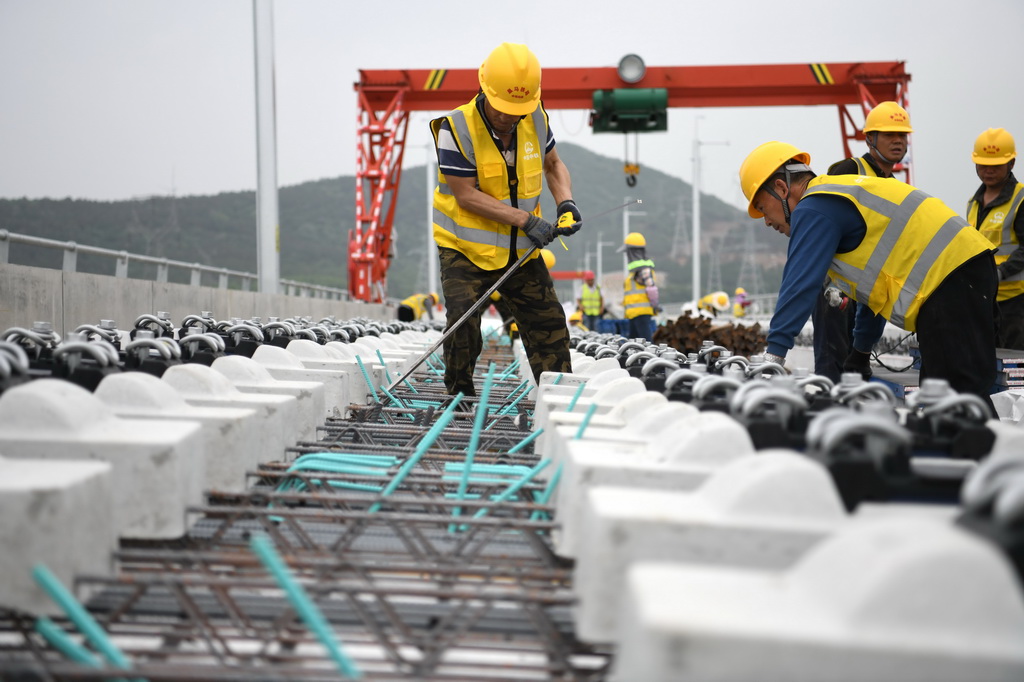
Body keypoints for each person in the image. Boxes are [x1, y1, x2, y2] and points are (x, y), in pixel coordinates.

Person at [739, 141, 998, 407]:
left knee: (958, 398)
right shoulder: (833, 201)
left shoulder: (815, 206)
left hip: (952, 276)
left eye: (762, 208)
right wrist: (861, 351)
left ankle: (989, 447)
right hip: (957, 277)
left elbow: (799, 285)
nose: (767, 221)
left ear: (782, 188)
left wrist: (773, 360)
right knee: (940, 396)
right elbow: (875, 293)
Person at [430, 42, 580, 396]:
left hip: (520, 251)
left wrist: (566, 203)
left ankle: (557, 398)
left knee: (549, 322)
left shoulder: (536, 117)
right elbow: (466, 195)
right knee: (463, 320)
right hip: (465, 249)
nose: (510, 117)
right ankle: (459, 395)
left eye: (518, 110)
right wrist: (526, 221)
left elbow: (554, 165)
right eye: (502, 109)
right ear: (484, 89)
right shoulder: (456, 127)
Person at [810, 101, 913, 382]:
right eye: (889, 135)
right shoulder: (847, 170)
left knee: (857, 366)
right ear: (870, 139)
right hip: (838, 285)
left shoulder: (898, 188)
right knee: (832, 367)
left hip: (869, 288)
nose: (897, 141)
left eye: (902, 136)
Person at [966, 128, 1024, 350]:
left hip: (1015, 301)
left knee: (1014, 368)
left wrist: (999, 273)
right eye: (983, 165)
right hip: (984, 299)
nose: (988, 171)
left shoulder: (1020, 199)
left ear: (1011, 164)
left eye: (996, 165)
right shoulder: (973, 202)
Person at [617, 231, 659, 341]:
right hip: (633, 314)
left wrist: (655, 305)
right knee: (633, 342)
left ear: (632, 252)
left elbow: (652, 289)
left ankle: (650, 358)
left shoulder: (643, 270)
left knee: (645, 342)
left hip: (641, 313)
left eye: (628, 252)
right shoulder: (635, 271)